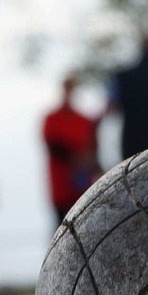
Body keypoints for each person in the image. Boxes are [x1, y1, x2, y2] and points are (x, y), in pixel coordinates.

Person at [42, 75, 100, 226]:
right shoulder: (51, 119)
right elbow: (52, 147)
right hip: (61, 186)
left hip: (82, 187)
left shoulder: (84, 121)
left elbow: (93, 150)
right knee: (61, 227)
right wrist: (76, 158)